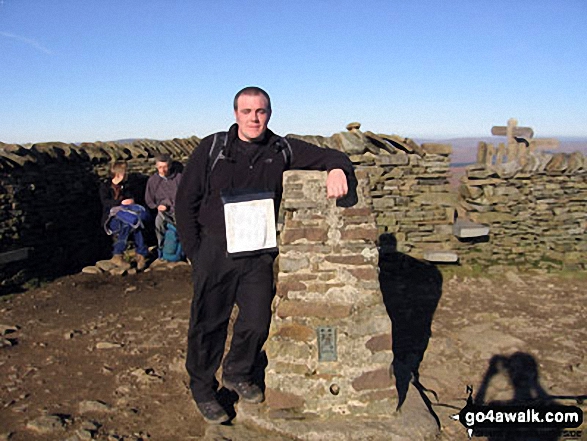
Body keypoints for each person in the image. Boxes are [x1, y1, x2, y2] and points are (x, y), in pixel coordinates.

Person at [175, 86, 356, 423]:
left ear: (269, 113)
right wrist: (196, 253)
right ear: (235, 114)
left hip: (257, 252)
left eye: (261, 111)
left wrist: (336, 170)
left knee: (257, 320)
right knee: (208, 322)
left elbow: (332, 155)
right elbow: (185, 202)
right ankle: (202, 388)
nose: (254, 118)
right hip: (215, 250)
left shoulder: (281, 148)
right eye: (247, 111)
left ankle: (237, 371)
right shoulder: (212, 148)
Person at [99, 161, 149, 271]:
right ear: (119, 173)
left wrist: (131, 201)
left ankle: (123, 255)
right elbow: (106, 203)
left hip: (126, 215)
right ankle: (137, 253)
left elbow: (132, 200)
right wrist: (121, 202)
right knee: (129, 223)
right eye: (125, 172)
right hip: (111, 219)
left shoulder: (126, 186)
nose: (127, 174)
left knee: (133, 223)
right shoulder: (105, 186)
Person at [144, 153, 182, 257]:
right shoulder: (152, 181)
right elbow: (149, 200)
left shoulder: (179, 178)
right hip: (162, 211)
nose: (163, 170)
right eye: (160, 167)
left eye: (165, 167)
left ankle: (183, 252)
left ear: (169, 166)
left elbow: (185, 196)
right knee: (158, 223)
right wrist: (157, 207)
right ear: (156, 167)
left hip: (179, 210)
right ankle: (162, 250)